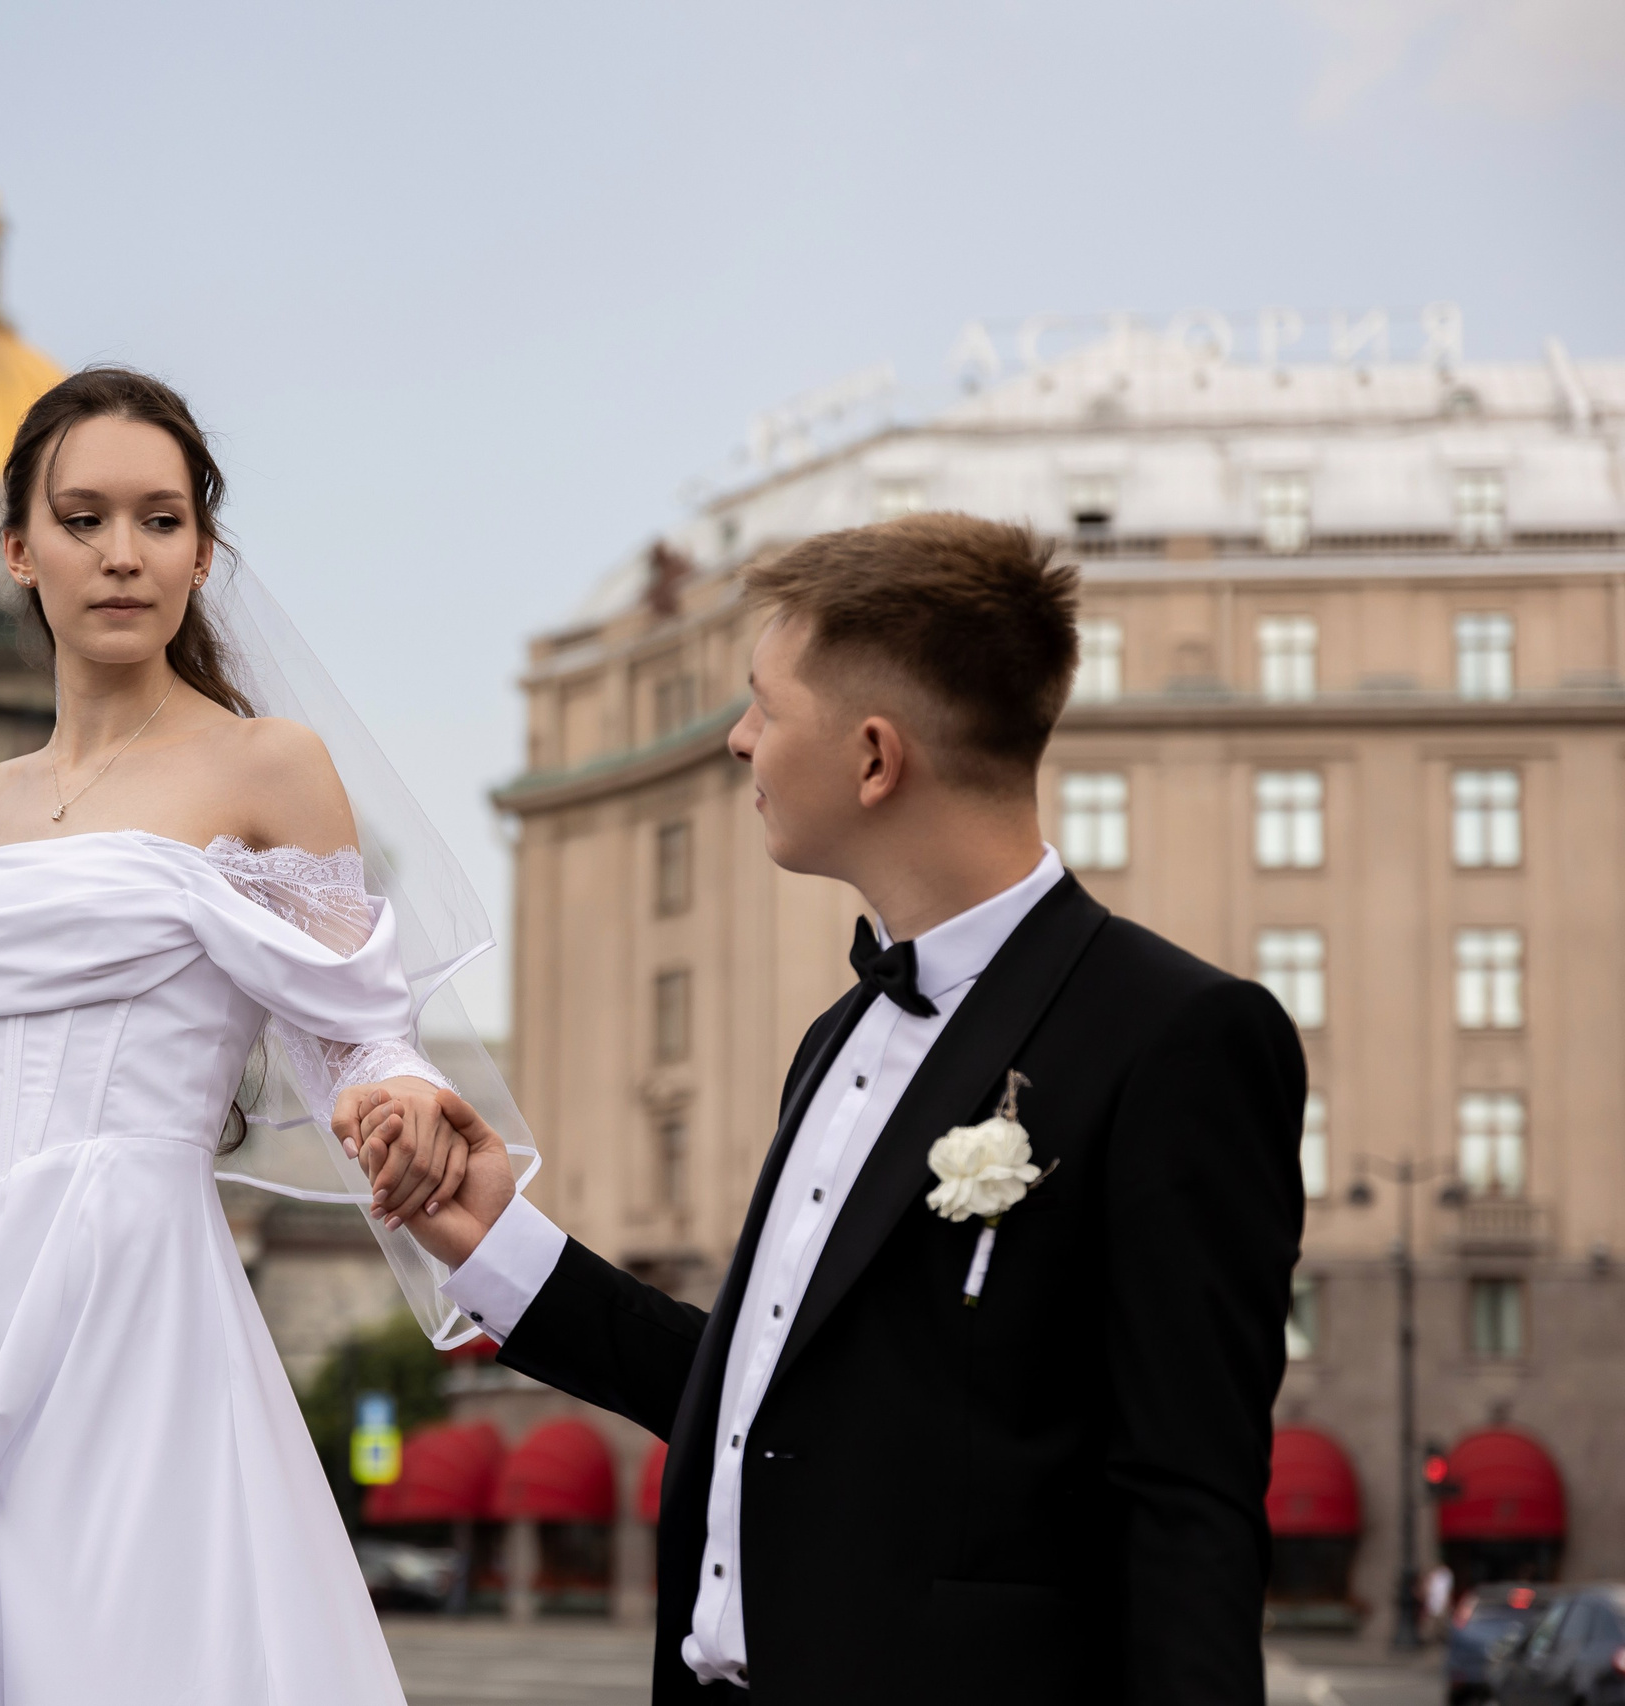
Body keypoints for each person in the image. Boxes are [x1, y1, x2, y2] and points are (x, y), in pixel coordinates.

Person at [343, 515, 1307, 1706]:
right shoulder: (837, 1037)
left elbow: (1190, 1508)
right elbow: (768, 1395)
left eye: (762, 704)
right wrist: (497, 1240)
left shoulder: (1180, 1039)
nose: (740, 740)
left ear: (871, 757)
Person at [0, 367, 479, 1706]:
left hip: (136, 1285)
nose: (122, 554)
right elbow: (51, 1053)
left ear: (204, 552)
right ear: (19, 549)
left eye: (160, 520)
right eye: (84, 516)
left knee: (129, 1641)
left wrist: (401, 1097)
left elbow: (357, 1025)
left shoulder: (268, 762)